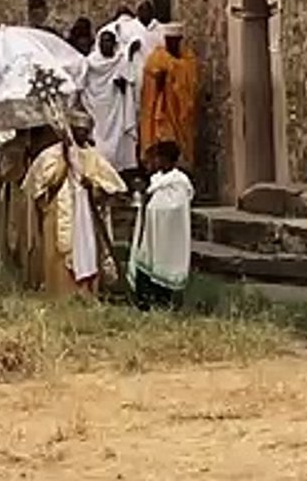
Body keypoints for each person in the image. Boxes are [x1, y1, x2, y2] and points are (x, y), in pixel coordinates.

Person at [23, 111, 126, 296]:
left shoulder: (93, 156)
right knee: (60, 251)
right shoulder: (51, 155)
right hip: (59, 212)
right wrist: (64, 165)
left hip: (86, 214)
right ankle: (60, 294)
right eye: (78, 130)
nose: (82, 135)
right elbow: (38, 189)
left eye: (85, 131)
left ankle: (86, 292)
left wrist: (93, 187)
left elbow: (112, 187)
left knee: (87, 250)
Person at [127, 140, 194, 310]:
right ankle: (143, 302)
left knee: (163, 268)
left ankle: (164, 303)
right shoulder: (155, 180)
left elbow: (174, 208)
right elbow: (150, 205)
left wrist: (153, 205)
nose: (155, 162)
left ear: (169, 160)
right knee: (145, 266)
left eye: (159, 158)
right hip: (150, 235)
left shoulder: (179, 182)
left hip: (168, 237)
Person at [139, 22, 198, 169]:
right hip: (162, 111)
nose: (171, 43)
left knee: (179, 146)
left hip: (180, 113)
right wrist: (159, 80)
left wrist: (175, 78)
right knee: (163, 141)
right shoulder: (156, 59)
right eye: (169, 40)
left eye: (175, 41)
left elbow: (192, 84)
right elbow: (149, 85)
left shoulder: (188, 60)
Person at [84, 30, 139, 173]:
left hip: (116, 107)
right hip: (97, 108)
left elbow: (130, 81)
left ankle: (118, 173)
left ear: (114, 44)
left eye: (109, 41)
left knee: (118, 140)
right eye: (103, 41)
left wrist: (123, 86)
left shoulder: (120, 61)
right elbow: (84, 84)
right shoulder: (90, 62)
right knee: (97, 140)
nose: (106, 44)